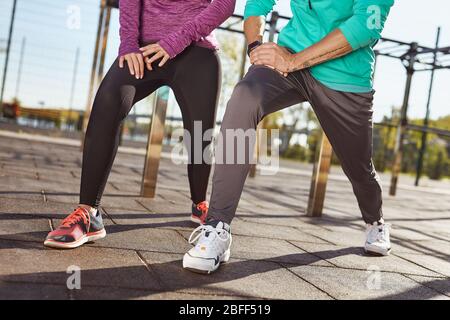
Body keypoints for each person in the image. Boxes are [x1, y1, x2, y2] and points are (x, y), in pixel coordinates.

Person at [183, 0, 395, 274]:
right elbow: (257, 4)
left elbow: (365, 26)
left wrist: (294, 60)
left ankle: (375, 221)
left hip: (343, 76)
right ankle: (217, 226)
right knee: (244, 97)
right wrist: (255, 47)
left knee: (359, 167)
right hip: (289, 58)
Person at [44, 0, 236, 249]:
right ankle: (88, 212)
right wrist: (127, 46)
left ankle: (199, 203)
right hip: (144, 51)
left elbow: (225, 5)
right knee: (108, 102)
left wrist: (175, 41)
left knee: (200, 134)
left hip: (195, 47)